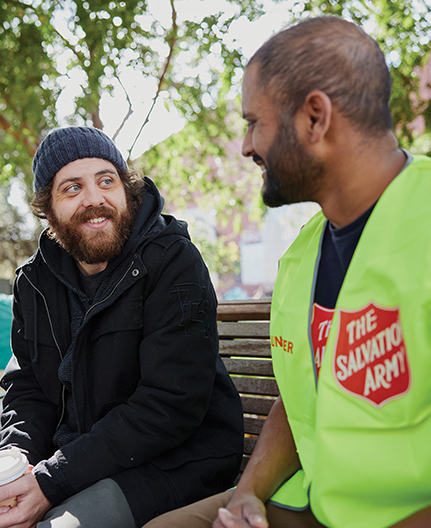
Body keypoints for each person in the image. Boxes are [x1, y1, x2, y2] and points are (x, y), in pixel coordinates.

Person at [143, 15, 431, 528]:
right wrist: (247, 496)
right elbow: (299, 400)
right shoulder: (303, 253)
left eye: (255, 122)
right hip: (311, 499)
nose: (246, 146)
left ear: (315, 118)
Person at [0, 126, 244, 528]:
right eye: (72, 188)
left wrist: (50, 482)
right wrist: (15, 460)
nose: (95, 198)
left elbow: (170, 404)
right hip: (68, 461)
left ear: (127, 190)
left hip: (172, 462)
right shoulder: (34, 281)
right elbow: (28, 387)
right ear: (47, 210)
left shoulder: (173, 260)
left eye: (106, 181)